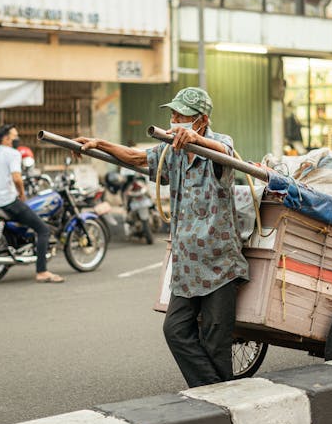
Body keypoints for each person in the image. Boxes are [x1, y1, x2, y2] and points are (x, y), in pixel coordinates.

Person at [74, 87, 249, 388]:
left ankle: (218, 401)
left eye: (181, 116)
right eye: (173, 114)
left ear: (201, 120)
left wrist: (197, 141)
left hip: (219, 263)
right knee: (176, 330)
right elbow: (135, 157)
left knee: (215, 343)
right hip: (187, 265)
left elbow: (226, 154)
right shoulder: (171, 152)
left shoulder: (219, 144)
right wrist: (98, 144)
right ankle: (217, 392)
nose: (174, 120)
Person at [0, 124, 64, 283]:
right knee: (43, 229)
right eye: (14, 136)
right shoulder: (13, 154)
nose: (17, 139)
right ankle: (42, 271)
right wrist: (22, 194)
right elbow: (17, 178)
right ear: (6, 139)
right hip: (9, 202)